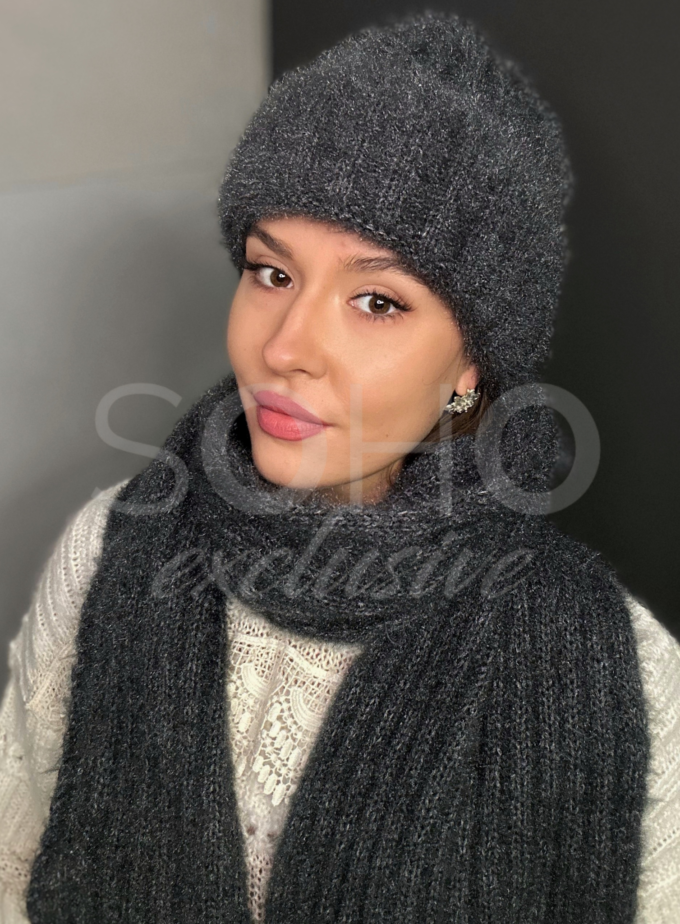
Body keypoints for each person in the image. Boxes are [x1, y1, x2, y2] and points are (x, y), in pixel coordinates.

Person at [0, 11, 678, 924]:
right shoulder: (108, 552)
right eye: (272, 273)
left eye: (376, 301)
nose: (285, 347)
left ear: (471, 363)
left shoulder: (621, 671)